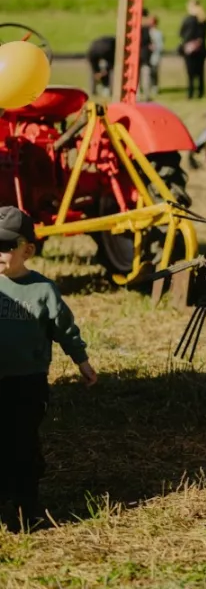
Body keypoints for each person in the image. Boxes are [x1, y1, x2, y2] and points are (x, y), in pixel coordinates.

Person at [0, 206, 96, 531]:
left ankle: (28, 504)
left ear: (27, 250)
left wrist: (81, 361)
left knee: (23, 442)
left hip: (27, 384)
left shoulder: (42, 290)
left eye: (6, 246)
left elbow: (64, 329)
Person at [179, 0, 206, 100]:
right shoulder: (203, 19)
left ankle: (190, 92)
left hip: (190, 49)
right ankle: (200, 92)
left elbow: (182, 33)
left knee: (190, 73)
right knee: (200, 72)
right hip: (201, 49)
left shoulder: (189, 20)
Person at [147, 14, 165, 97]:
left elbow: (160, 46)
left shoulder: (158, 34)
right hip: (147, 56)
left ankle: (154, 87)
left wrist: (154, 47)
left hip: (155, 56)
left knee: (154, 72)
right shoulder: (146, 32)